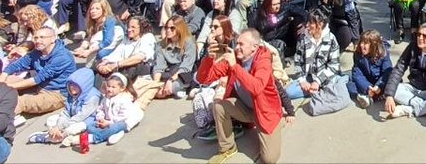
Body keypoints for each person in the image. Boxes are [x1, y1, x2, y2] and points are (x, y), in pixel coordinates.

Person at [209, 28, 285, 164]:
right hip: (247, 109)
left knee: (269, 159)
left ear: (254, 47)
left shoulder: (263, 61)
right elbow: (204, 78)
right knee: (219, 106)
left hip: (265, 112)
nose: (237, 47)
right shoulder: (236, 58)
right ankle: (227, 148)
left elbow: (256, 87)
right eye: (236, 43)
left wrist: (234, 67)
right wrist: (209, 59)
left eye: (241, 44)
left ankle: (277, 125)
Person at [3, 26, 75, 122]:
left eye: (42, 37)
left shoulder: (62, 57)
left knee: (21, 101)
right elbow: (18, 64)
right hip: (39, 86)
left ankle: (4, 120)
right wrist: (3, 76)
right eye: (36, 38)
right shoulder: (37, 52)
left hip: (57, 94)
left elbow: (37, 79)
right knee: (7, 80)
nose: (38, 41)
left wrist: (8, 86)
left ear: (53, 39)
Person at [26, 67, 100, 146]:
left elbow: (81, 116)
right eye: (70, 84)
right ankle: (55, 133)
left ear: (84, 85)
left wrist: (62, 127)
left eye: (76, 85)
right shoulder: (72, 94)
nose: (72, 87)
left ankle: (50, 138)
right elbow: (66, 112)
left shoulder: (93, 97)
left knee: (72, 129)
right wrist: (58, 126)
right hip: (72, 118)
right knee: (51, 120)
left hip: (86, 121)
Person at [135, 15, 198, 107]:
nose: (168, 30)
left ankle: (174, 89)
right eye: (166, 28)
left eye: (172, 28)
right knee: (146, 84)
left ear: (180, 29)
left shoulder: (189, 42)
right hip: (167, 73)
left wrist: (170, 81)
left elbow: (186, 67)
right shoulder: (161, 45)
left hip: (182, 74)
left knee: (171, 87)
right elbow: (159, 66)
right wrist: (156, 84)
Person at [285, 11, 341, 101]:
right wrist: (302, 81)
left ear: (320, 24)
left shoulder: (331, 39)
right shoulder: (303, 38)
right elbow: (297, 62)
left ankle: (320, 90)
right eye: (307, 22)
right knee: (289, 92)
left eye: (310, 23)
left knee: (336, 84)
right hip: (308, 77)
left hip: (325, 78)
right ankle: (319, 92)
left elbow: (334, 66)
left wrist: (318, 82)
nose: (307, 25)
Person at [85, 73, 143, 145]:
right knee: (89, 127)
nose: (109, 89)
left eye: (113, 87)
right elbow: (101, 109)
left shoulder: (124, 99)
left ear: (122, 88)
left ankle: (95, 138)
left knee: (115, 127)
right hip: (107, 121)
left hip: (121, 122)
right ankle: (111, 133)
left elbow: (123, 117)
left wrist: (109, 123)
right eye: (108, 86)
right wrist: (100, 118)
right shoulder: (106, 98)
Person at [96, 16, 157, 81]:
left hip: (138, 72)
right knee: (100, 72)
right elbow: (117, 53)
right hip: (123, 69)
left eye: (133, 27)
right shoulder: (126, 38)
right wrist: (104, 63)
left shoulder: (148, 37)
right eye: (128, 27)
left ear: (142, 28)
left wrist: (116, 65)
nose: (129, 29)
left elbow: (140, 57)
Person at [348, 30, 392, 109]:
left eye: (365, 43)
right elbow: (357, 73)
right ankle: (367, 95)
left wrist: (379, 86)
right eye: (361, 42)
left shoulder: (383, 53)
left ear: (374, 45)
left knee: (393, 81)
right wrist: (368, 87)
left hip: (380, 82)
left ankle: (370, 96)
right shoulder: (358, 54)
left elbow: (387, 72)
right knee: (348, 82)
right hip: (367, 81)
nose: (362, 45)